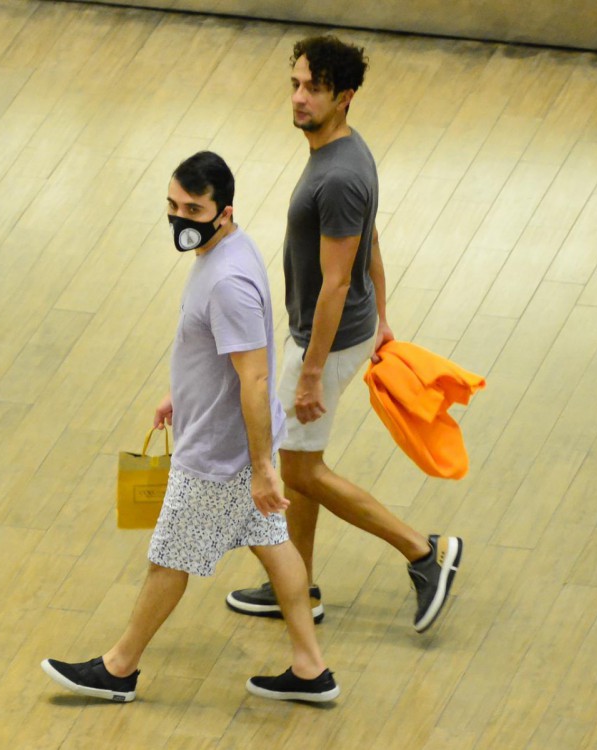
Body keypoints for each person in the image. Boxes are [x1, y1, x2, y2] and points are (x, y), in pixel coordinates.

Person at [42, 152, 339, 704]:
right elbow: (218, 354)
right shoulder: (226, 247)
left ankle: (119, 668)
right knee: (274, 545)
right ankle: (310, 668)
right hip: (227, 439)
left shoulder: (227, 279)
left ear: (223, 211)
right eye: (173, 206)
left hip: (220, 456)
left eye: (193, 209)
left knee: (169, 559)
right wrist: (181, 395)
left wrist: (259, 468)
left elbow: (252, 378)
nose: (181, 219)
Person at [225, 36, 462, 634]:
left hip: (321, 343)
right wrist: (381, 314)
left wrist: (310, 372)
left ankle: (423, 552)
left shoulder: (339, 177)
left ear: (345, 97)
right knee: (299, 458)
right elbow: (371, 241)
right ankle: (295, 585)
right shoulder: (344, 152)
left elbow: (334, 284)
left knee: (300, 472)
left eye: (315, 89)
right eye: (296, 85)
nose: (300, 98)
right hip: (333, 333)